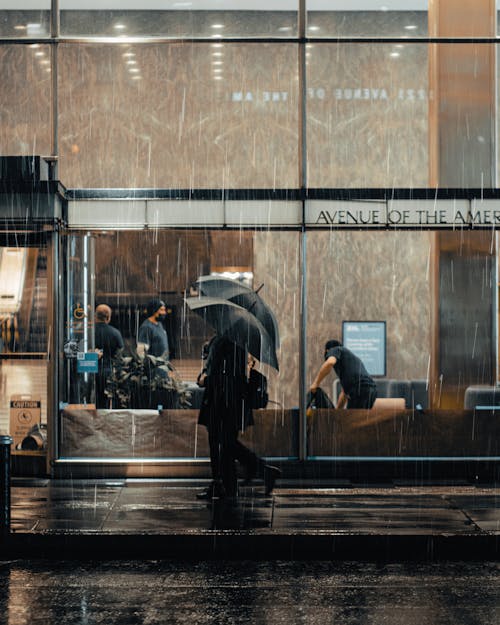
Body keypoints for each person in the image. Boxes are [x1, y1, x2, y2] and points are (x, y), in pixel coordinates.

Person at [196, 335, 280, 501]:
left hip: (223, 403)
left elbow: (222, 375)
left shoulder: (227, 342)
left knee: (223, 444)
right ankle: (228, 485)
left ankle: (258, 470)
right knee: (225, 446)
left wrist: (205, 379)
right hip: (227, 403)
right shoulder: (234, 342)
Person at [310, 339, 377, 409]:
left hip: (359, 389)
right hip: (371, 391)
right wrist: (337, 412)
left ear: (327, 351)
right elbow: (344, 394)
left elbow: (329, 363)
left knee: (352, 418)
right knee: (360, 418)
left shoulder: (335, 349)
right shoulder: (349, 362)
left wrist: (316, 383)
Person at [94, 304, 124, 408]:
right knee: (105, 402)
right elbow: (120, 356)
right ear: (108, 317)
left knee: (91, 400)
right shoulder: (115, 333)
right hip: (108, 372)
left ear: (95, 316)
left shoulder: (89, 332)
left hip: (89, 371)